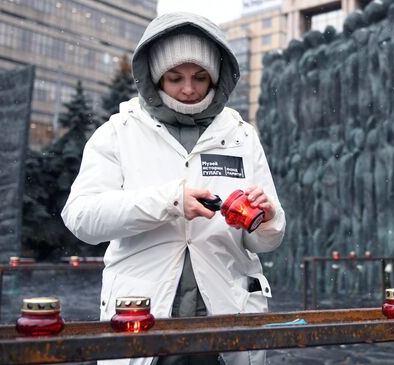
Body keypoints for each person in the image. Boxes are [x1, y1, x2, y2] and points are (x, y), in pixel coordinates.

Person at [61, 12, 286, 365]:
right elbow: (81, 218)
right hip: (142, 317)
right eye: (175, 77)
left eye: (200, 76)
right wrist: (168, 201)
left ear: (216, 75)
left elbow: (263, 242)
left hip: (226, 318)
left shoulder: (241, 135)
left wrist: (268, 220)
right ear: (155, 77)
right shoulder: (119, 131)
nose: (188, 88)